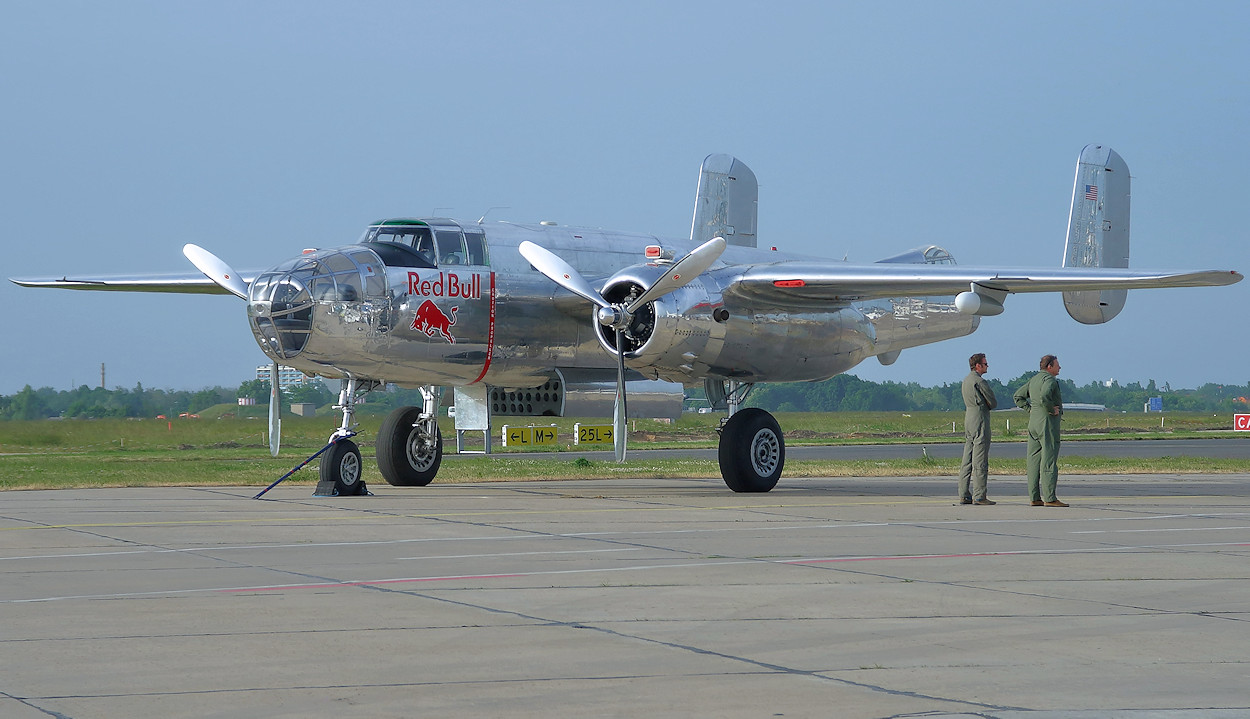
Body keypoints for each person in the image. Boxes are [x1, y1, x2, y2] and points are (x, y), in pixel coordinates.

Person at [1013, 354, 1067, 507]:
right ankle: (1050, 497)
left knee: (1033, 461)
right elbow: (1045, 395)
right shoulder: (1050, 380)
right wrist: (1051, 409)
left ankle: (1034, 497)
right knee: (1049, 460)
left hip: (1033, 423)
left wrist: (1030, 410)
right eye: (1057, 365)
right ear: (1049, 366)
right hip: (1047, 423)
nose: (1059, 367)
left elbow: (1018, 396)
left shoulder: (1034, 379)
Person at [958, 353, 997, 505]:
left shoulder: (966, 380)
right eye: (985, 364)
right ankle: (980, 495)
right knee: (980, 459)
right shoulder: (980, 381)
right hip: (980, 418)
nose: (987, 366)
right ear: (978, 366)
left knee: (967, 458)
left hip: (968, 417)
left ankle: (963, 493)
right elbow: (993, 402)